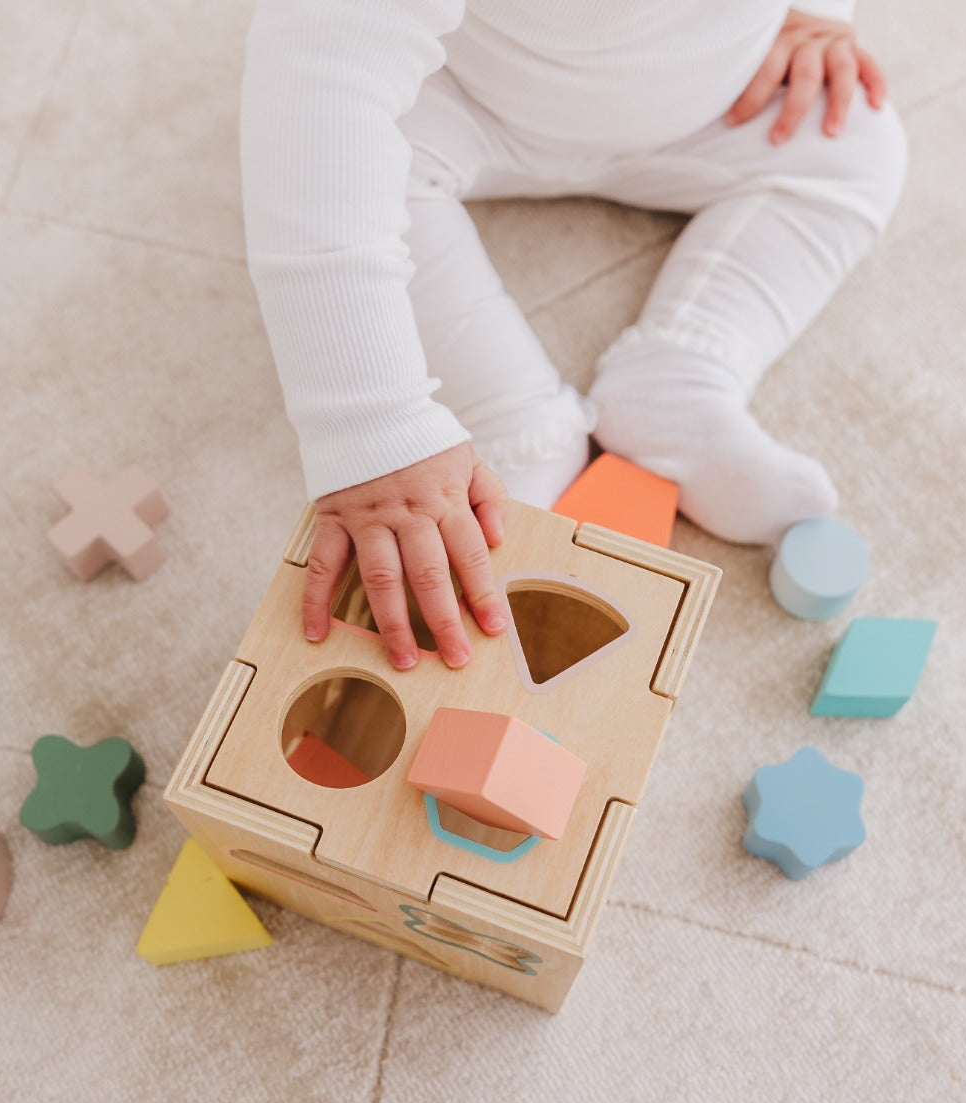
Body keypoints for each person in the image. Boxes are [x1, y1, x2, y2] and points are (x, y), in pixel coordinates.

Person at [240, 0, 907, 672]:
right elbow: (318, 95)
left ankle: (681, 372)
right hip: (466, 100)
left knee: (857, 141)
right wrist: (373, 428)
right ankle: (514, 414)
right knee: (333, 176)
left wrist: (816, 14)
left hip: (710, 103)